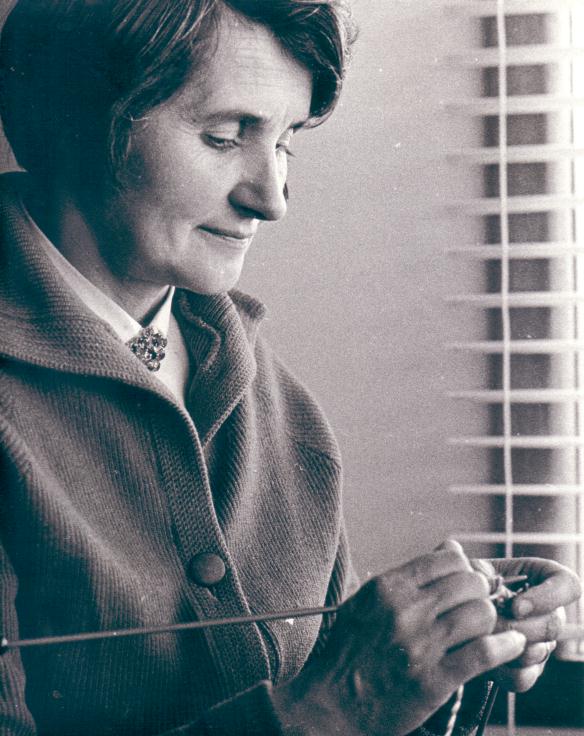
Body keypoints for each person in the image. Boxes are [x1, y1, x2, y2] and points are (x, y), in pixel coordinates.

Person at [0, 1, 580, 734]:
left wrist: (448, 659)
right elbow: (327, 710)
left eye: (285, 143)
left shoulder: (264, 385)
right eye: (223, 137)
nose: (271, 199)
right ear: (73, 120)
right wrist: (333, 706)